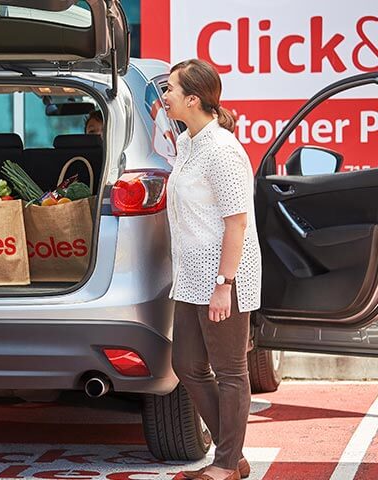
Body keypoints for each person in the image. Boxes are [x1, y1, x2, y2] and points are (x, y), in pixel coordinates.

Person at [162, 58, 262, 480]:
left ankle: (225, 465)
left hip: (224, 275)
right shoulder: (188, 142)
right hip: (191, 276)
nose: (164, 96)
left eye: (169, 89)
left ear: (192, 99)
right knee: (186, 364)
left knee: (231, 370)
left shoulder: (222, 149)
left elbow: (236, 222)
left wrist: (224, 284)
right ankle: (232, 453)